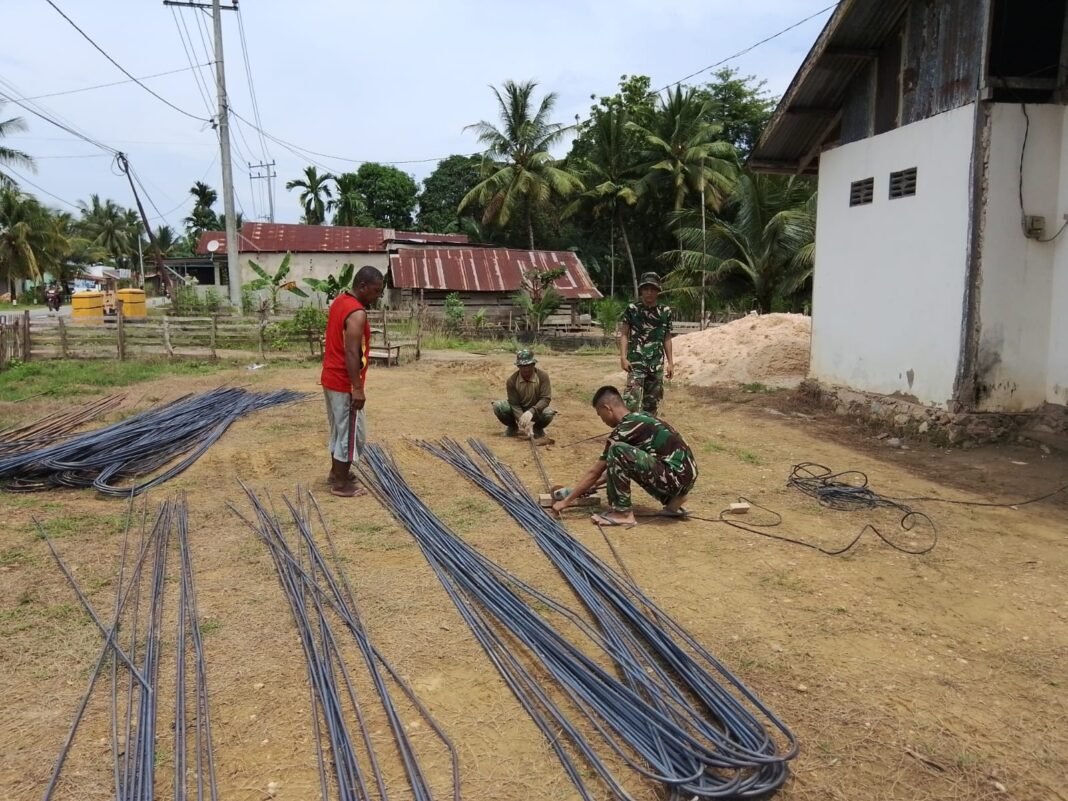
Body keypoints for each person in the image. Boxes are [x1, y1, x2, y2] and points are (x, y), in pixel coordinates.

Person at [552, 385, 697, 527]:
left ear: (607, 408)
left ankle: (623, 514)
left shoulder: (624, 430)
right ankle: (674, 499)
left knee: (617, 450)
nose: (602, 419)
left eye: (599, 414)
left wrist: (566, 502)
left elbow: (595, 472)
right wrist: (589, 487)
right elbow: (620, 468)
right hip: (684, 476)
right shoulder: (640, 417)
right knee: (623, 456)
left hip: (674, 477)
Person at [320, 265, 385, 497]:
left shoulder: (340, 301)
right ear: (362, 286)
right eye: (376, 291)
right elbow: (351, 352)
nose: (377, 296)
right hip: (344, 383)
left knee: (339, 429)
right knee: (351, 434)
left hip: (331, 378)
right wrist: (357, 388)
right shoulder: (357, 312)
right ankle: (341, 485)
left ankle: (337, 473)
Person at [619, 271, 674, 416]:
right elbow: (624, 334)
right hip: (636, 363)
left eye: (653, 289)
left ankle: (648, 434)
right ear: (641, 290)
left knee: (651, 404)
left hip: (656, 363)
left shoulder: (665, 312)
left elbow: (667, 338)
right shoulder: (632, 309)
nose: (649, 293)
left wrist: (671, 363)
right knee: (631, 401)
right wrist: (623, 358)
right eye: (646, 289)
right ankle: (628, 433)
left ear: (658, 291)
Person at [492, 349, 556, 439]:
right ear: (518, 366)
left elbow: (545, 399)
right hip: (519, 410)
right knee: (498, 406)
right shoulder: (512, 380)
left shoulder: (542, 377)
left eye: (528, 365)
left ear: (533, 364)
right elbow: (514, 404)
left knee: (548, 413)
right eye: (522, 366)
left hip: (537, 409)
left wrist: (531, 411)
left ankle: (537, 429)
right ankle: (513, 427)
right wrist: (523, 422)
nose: (526, 369)